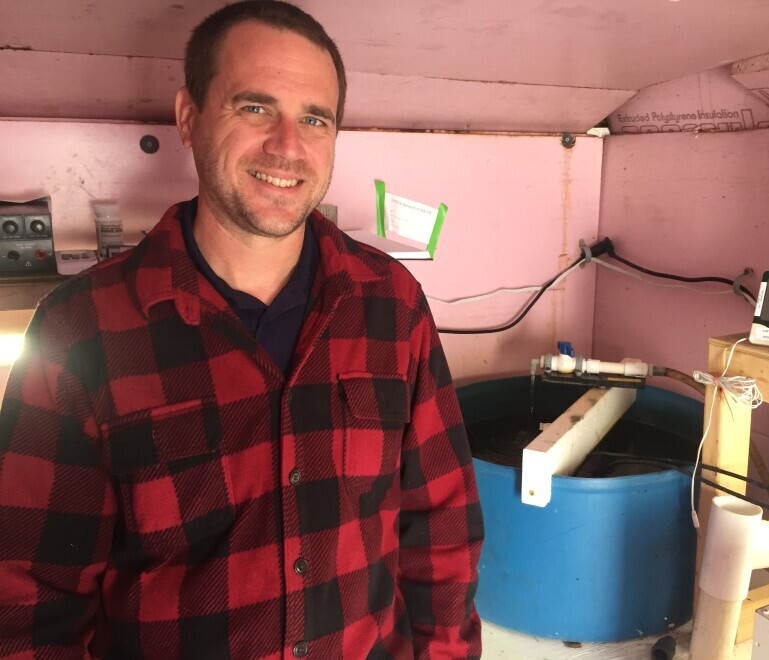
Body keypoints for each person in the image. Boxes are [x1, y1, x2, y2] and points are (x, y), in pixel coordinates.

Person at [0, 2, 483, 657]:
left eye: (315, 118)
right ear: (189, 117)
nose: (288, 146)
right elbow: (30, 596)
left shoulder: (392, 305)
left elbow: (443, 529)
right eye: (255, 108)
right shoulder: (82, 331)